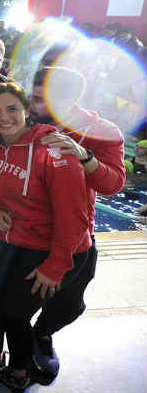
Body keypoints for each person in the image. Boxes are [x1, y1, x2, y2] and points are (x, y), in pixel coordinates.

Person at [0, 82, 90, 393]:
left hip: (45, 250)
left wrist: (56, 267)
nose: (4, 117)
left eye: (12, 109)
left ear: (26, 110)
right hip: (5, 243)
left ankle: (19, 373)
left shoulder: (54, 151)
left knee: (15, 314)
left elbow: (75, 219)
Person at [27, 66, 125, 375]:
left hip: (75, 231)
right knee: (11, 302)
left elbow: (113, 184)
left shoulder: (101, 131)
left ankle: (42, 334)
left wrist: (86, 157)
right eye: (34, 98)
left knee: (70, 303)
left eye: (43, 100)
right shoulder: (20, 119)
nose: (36, 107)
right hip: (26, 228)